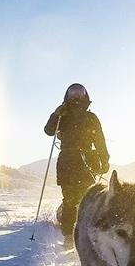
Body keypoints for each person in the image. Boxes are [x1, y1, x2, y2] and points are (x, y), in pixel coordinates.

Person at [44, 83, 109, 246]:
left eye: (79, 93)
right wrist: (55, 114)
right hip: (68, 160)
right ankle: (68, 235)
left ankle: (82, 233)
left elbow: (100, 140)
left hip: (85, 161)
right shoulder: (62, 115)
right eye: (73, 93)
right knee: (70, 198)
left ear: (85, 96)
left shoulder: (91, 118)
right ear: (68, 96)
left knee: (85, 198)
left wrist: (105, 159)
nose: (76, 96)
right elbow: (48, 131)